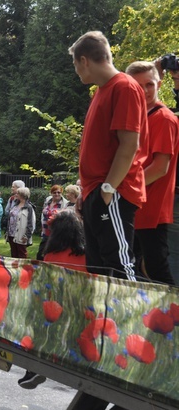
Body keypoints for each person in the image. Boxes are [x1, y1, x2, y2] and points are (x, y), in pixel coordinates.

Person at [69, 31, 147, 281]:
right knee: (98, 269)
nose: (76, 71)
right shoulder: (100, 91)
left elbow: (129, 145)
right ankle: (105, 321)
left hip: (113, 192)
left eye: (75, 64)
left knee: (119, 266)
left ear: (84, 60)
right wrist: (88, 191)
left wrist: (107, 189)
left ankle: (132, 321)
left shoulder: (124, 87)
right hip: (97, 191)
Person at [19, 210, 86, 390]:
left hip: (56, 304)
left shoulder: (51, 255)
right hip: (79, 306)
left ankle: (32, 369)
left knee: (37, 327)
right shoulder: (85, 254)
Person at [126, 61, 179, 285]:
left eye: (150, 84)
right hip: (136, 208)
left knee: (158, 272)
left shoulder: (164, 118)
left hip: (152, 210)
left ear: (159, 83)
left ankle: (171, 318)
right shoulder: (139, 116)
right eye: (139, 86)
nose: (146, 91)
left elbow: (160, 168)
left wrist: (122, 189)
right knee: (137, 270)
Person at [37, 185, 68, 260]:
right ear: (51, 193)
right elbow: (43, 214)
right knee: (40, 254)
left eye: (59, 192)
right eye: (54, 192)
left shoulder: (65, 204)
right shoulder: (48, 201)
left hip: (56, 233)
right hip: (45, 232)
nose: (57, 194)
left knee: (52, 253)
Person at [6, 187, 35, 259]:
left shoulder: (29, 207)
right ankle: (14, 268)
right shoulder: (15, 205)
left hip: (21, 234)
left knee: (21, 254)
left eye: (17, 193)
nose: (16, 194)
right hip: (11, 233)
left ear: (23, 195)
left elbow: (31, 222)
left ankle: (22, 269)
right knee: (13, 253)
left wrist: (27, 235)